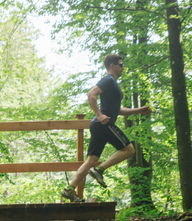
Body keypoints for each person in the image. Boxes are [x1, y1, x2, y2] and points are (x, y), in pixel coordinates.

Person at [61, 54, 152, 203]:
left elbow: (117, 110)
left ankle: (69, 189)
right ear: (112, 65)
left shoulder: (113, 84)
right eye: (121, 64)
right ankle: (99, 170)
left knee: (91, 159)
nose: (123, 67)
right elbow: (91, 94)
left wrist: (137, 110)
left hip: (99, 124)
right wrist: (100, 114)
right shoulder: (108, 80)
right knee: (129, 150)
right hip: (103, 123)